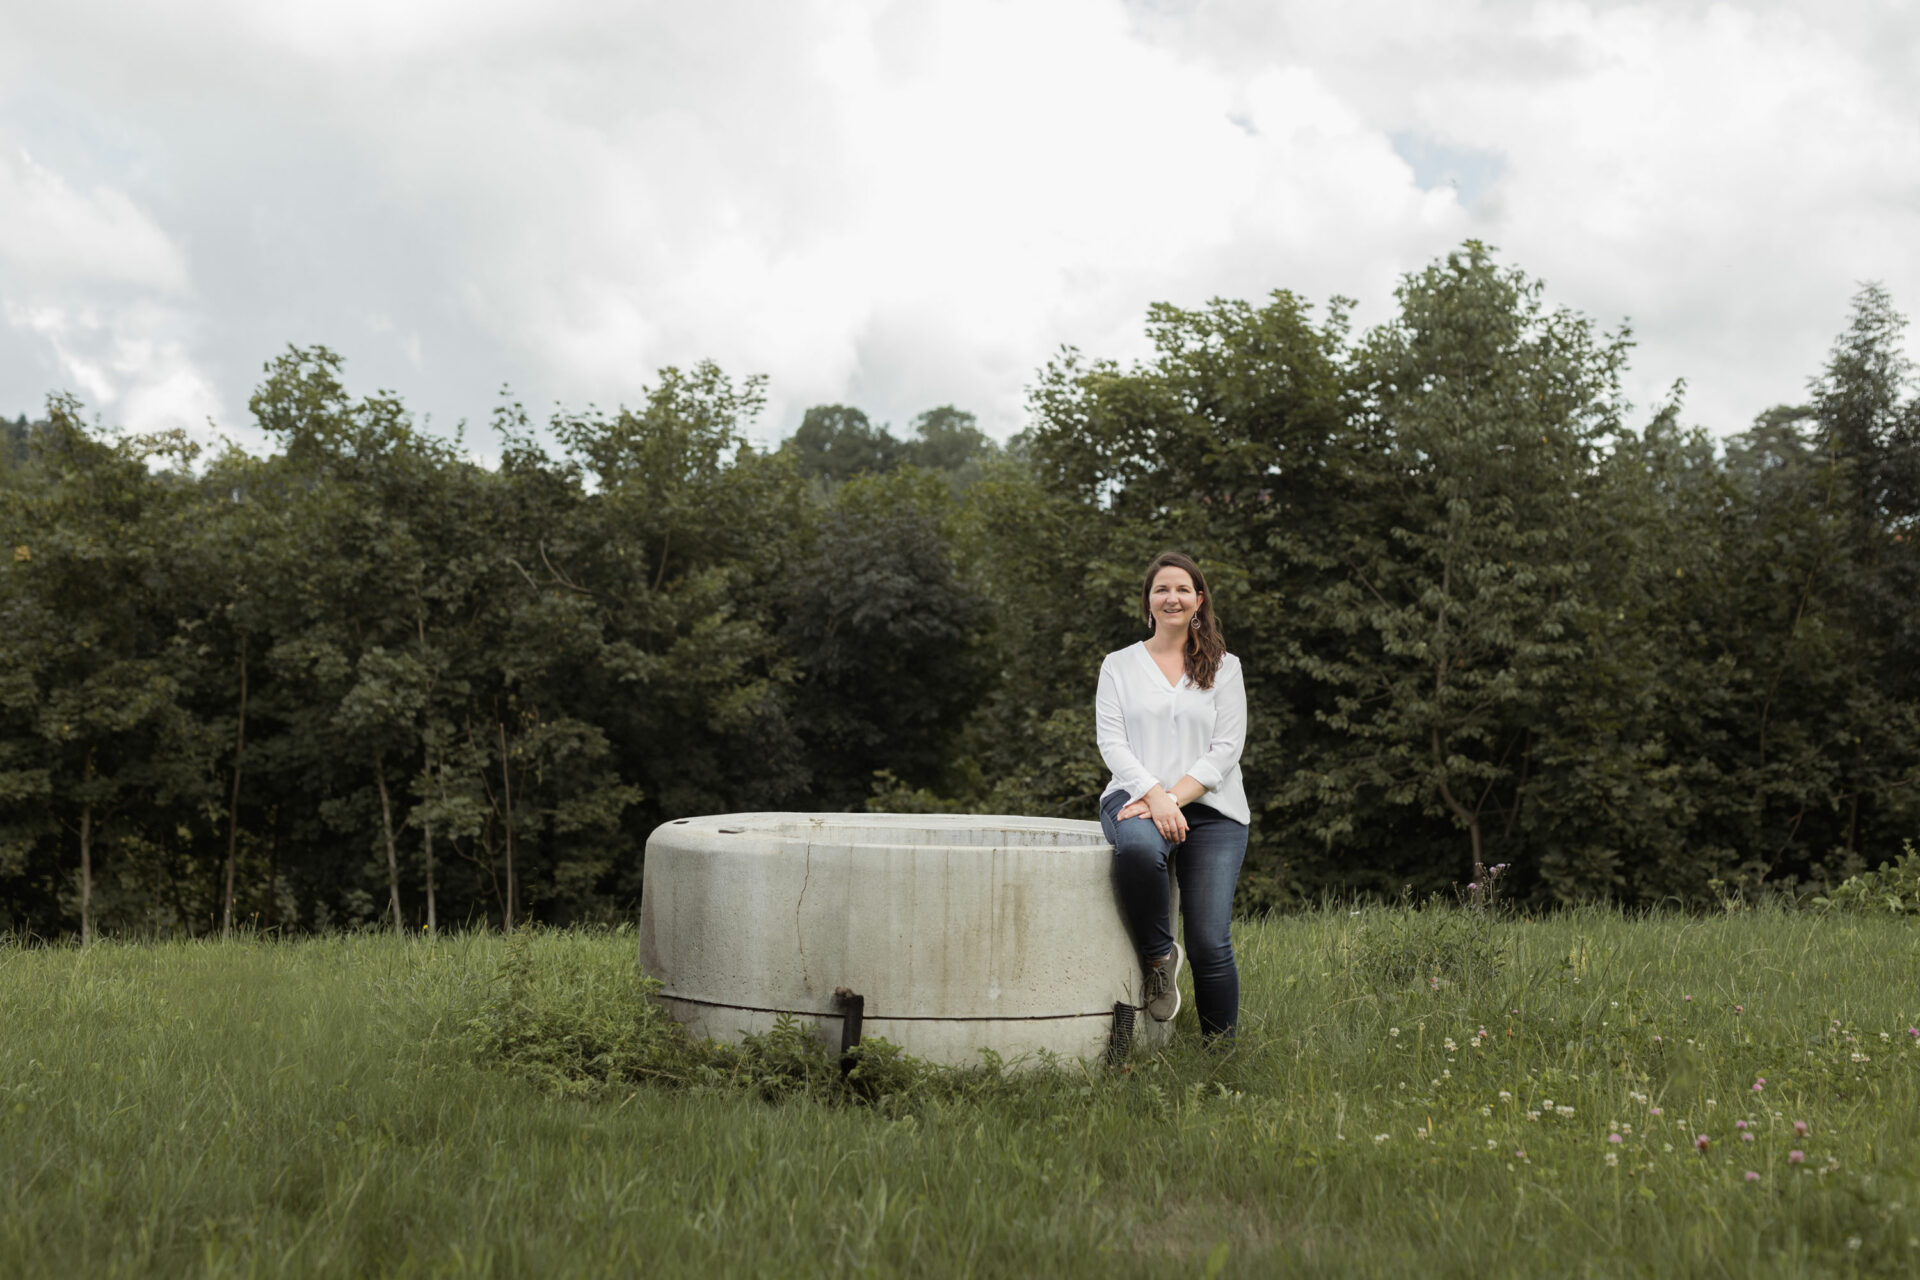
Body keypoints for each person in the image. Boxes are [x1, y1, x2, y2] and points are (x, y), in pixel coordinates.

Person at [1095, 551, 1249, 1040]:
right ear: (1149, 601)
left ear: (1199, 600)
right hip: (1134, 798)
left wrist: (1172, 798)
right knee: (1138, 849)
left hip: (1213, 809)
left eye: (1183, 589)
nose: (1172, 597)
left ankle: (1220, 1052)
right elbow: (1111, 743)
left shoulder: (1224, 667)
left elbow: (1226, 749)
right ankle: (1160, 958)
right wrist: (1153, 796)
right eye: (1162, 589)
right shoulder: (1119, 665)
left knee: (1209, 942)